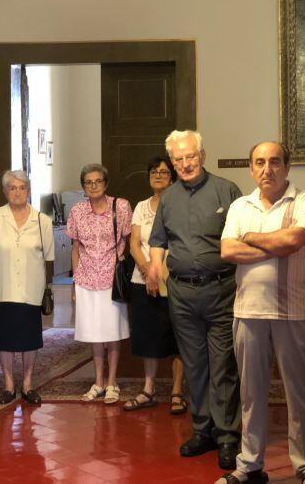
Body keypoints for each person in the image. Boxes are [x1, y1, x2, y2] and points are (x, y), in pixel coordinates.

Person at [218, 141, 305, 484]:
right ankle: (249, 465)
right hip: (248, 312)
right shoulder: (239, 205)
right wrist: (275, 245)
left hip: (293, 313)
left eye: (275, 162)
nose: (267, 169)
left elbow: (293, 241)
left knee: (300, 394)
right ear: (251, 169)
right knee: (251, 394)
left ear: (287, 167)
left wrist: (251, 238)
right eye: (260, 163)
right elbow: (227, 250)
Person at [146, 130, 242, 470]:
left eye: (190, 156)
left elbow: (241, 238)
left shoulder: (227, 190)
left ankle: (228, 435)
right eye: (178, 159)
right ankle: (203, 430)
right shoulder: (168, 198)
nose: (185, 163)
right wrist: (156, 265)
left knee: (223, 365)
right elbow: (158, 239)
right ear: (172, 162)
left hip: (222, 291)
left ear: (201, 155)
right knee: (195, 366)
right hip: (182, 296)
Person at [0, 170, 54, 406]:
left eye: (22, 187)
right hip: (2, 287)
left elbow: (48, 259)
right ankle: (9, 385)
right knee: (4, 338)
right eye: (12, 188)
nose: (17, 192)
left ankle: (28, 384)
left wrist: (46, 286)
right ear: (5, 191)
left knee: (29, 338)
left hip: (30, 288)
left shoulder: (42, 221)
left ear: (29, 190)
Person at [125, 155, 186, 414]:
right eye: (153, 172)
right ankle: (148, 389)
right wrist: (148, 269)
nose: (158, 176)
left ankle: (177, 391)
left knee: (178, 336)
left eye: (163, 172)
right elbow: (134, 243)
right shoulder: (141, 206)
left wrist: (160, 271)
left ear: (172, 176)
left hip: (174, 280)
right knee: (148, 335)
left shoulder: (180, 204)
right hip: (143, 279)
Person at [68, 164, 132, 406]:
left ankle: (113, 382)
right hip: (86, 278)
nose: (93, 185)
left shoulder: (121, 206)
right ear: (83, 186)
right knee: (94, 332)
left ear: (105, 183)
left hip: (111, 277)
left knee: (112, 331)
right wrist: (74, 281)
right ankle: (98, 381)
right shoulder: (77, 211)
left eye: (97, 181)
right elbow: (75, 249)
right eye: (88, 182)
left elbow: (129, 240)